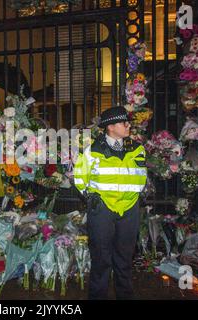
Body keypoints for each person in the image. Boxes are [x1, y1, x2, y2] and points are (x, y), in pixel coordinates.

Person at [74, 106, 147, 299]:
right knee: (101, 259)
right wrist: (90, 197)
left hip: (130, 208)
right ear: (111, 127)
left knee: (124, 259)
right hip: (102, 209)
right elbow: (80, 177)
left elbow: (141, 176)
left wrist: (139, 194)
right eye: (124, 123)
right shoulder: (93, 151)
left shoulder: (137, 149)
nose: (128, 125)